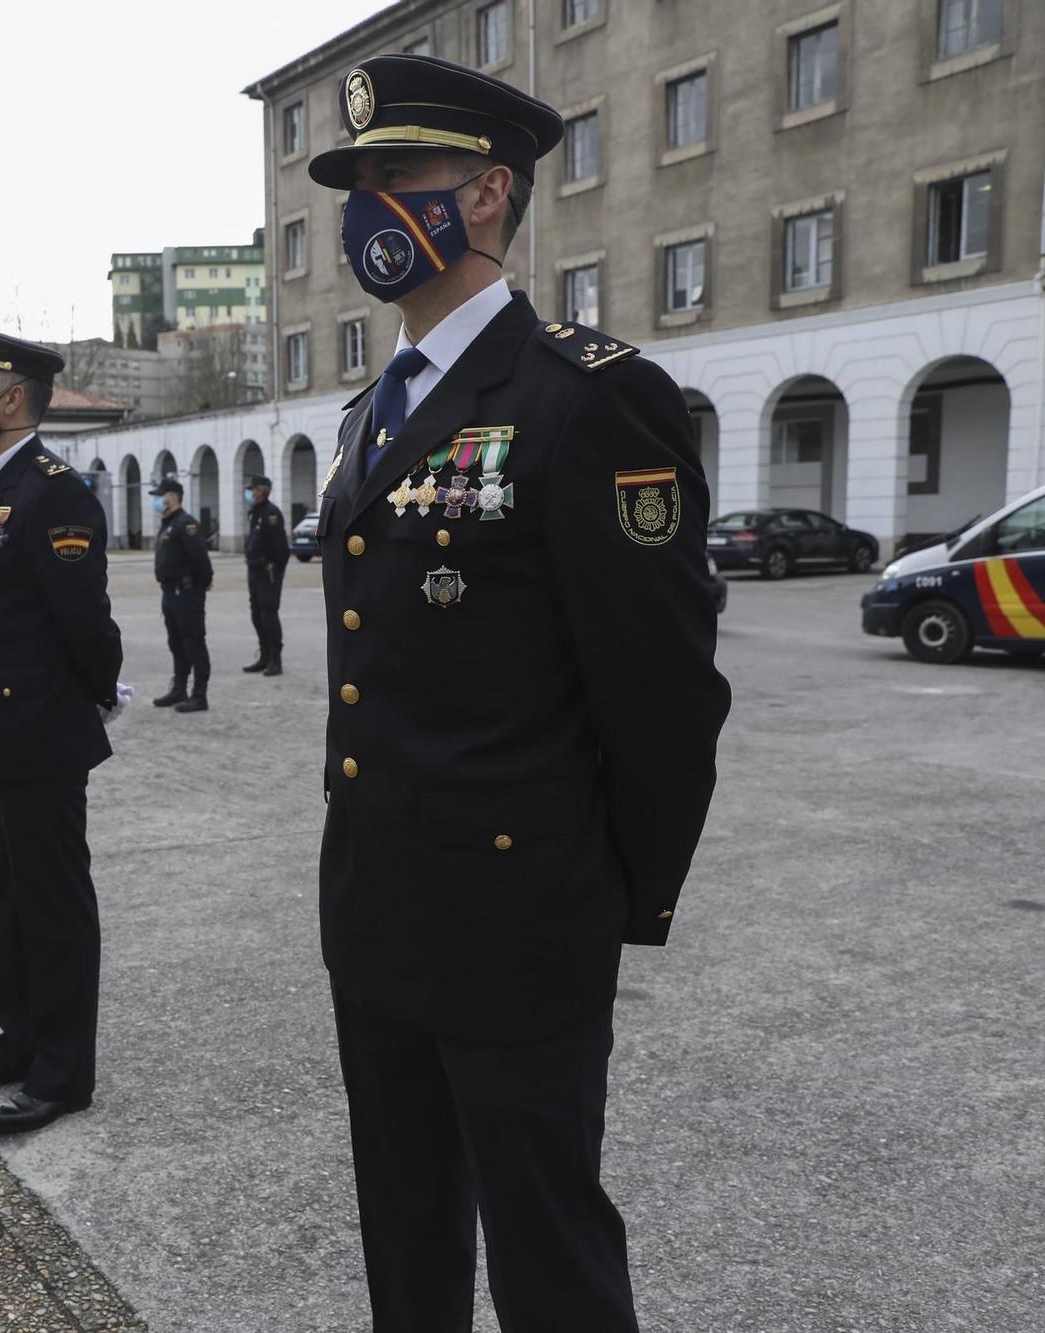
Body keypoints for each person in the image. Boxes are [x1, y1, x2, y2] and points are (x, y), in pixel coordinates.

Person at [305, 53, 731, 1330]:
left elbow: (662, 697)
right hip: (375, 901)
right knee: (404, 1230)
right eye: (358, 180)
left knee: (547, 1253)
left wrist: (610, 898)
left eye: (398, 175)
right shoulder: (367, 414)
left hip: (516, 915)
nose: (367, 204)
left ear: (485, 196)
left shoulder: (586, 400)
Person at [0, 325, 126, 1135]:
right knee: (7, 893)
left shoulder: (53, 491)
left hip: (40, 729)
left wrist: (98, 694)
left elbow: (85, 619)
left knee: (51, 902)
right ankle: (19, 1040)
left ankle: (62, 1072)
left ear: (11, 397)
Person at [150, 477, 212, 712]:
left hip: (186, 594)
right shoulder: (168, 523)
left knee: (193, 643)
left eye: (159, 495)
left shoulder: (186, 524)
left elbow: (201, 561)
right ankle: (179, 689)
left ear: (172, 497)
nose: (156, 500)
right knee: (176, 643)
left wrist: (198, 588)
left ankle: (199, 695)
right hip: (169, 593)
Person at [241, 475, 290, 675]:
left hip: (268, 572)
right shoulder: (255, 513)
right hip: (253, 570)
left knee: (268, 615)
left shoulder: (272, 514)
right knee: (256, 614)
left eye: (254, 489)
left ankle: (276, 660)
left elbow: (281, 549)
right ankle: (264, 656)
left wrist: (276, 569)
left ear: (263, 491)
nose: (251, 493)